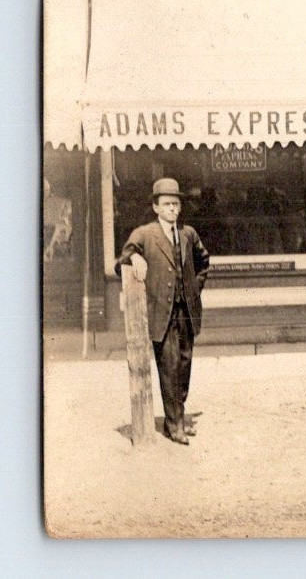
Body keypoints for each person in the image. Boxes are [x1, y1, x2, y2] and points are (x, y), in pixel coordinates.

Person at [117, 178, 211, 445]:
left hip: (187, 311)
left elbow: (204, 262)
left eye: (176, 204)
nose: (173, 209)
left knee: (184, 365)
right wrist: (135, 257)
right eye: (167, 204)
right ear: (156, 207)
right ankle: (174, 425)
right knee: (168, 368)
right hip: (161, 312)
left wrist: (194, 288)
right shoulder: (145, 234)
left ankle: (177, 416)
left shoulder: (188, 234)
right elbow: (123, 256)